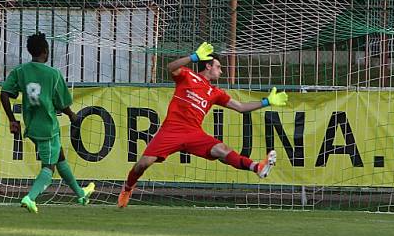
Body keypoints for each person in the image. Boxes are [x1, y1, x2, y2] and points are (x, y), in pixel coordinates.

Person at [117, 42, 289, 209]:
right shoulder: (187, 75)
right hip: (171, 130)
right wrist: (193, 57)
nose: (221, 71)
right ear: (208, 66)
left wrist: (266, 101)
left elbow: (241, 108)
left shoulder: (215, 92)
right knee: (143, 164)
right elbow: (170, 67)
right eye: (218, 67)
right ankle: (127, 188)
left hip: (193, 134)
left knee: (221, 150)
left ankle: (257, 167)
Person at [0, 32, 95, 214]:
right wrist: (72, 115)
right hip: (48, 127)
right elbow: (62, 103)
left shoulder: (20, 71)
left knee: (59, 157)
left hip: (32, 126)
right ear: (45, 50)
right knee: (48, 168)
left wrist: (12, 119)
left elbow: (4, 93)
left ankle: (81, 194)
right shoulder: (53, 74)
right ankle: (30, 198)